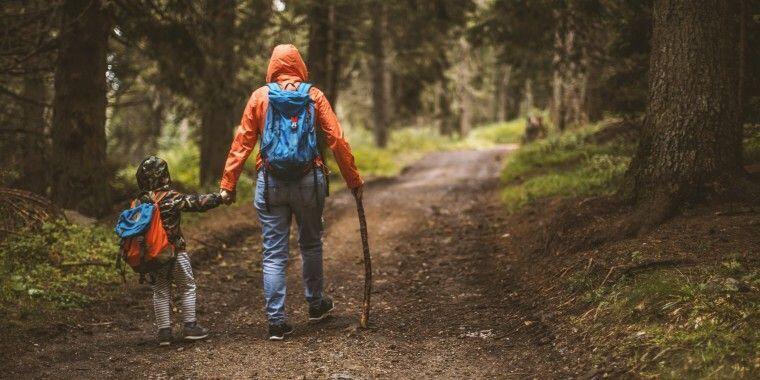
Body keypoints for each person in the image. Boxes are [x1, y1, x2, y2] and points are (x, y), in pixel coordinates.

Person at [219, 44, 363, 340]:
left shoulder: (260, 97)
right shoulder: (313, 95)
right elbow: (336, 139)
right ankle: (315, 304)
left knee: (273, 253)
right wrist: (353, 180)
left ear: (273, 66)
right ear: (299, 66)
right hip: (310, 180)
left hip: (270, 183)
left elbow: (242, 143)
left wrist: (228, 185)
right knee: (310, 244)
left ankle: (276, 321)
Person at [134, 155, 223, 346]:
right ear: (164, 176)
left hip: (153, 255)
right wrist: (220, 197)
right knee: (187, 286)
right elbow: (197, 202)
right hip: (175, 252)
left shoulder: (140, 202)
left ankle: (164, 332)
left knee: (160, 290)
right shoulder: (171, 197)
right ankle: (190, 327)